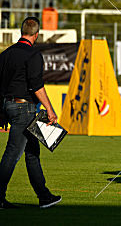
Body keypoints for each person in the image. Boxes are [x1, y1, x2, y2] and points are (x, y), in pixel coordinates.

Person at [0, 17, 61, 209]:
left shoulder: (6, 54)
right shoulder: (33, 54)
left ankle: (44, 196)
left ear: (21, 31)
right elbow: (36, 86)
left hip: (8, 105)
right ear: (36, 34)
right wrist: (50, 110)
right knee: (12, 154)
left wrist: (2, 113)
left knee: (32, 152)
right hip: (24, 109)